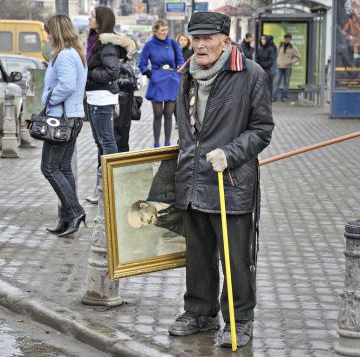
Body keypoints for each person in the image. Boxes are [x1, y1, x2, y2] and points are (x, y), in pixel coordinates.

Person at [169, 11, 274, 348]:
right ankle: (199, 311)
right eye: (195, 38)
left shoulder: (250, 74)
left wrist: (230, 153)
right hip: (192, 178)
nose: (200, 44)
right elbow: (188, 130)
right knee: (197, 254)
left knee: (236, 259)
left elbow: (262, 129)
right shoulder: (187, 74)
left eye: (207, 38)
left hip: (230, 182)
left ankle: (240, 319)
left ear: (225, 41)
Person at [40, 14, 87, 237]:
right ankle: (67, 218)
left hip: (62, 120)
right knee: (63, 168)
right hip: (71, 117)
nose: (47, 35)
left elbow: (67, 85)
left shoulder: (65, 55)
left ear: (56, 32)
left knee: (49, 168)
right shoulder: (72, 53)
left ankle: (75, 211)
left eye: (48, 31)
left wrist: (49, 97)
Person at [85, 6, 135, 204]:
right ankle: (103, 186)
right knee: (101, 143)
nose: (89, 19)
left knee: (107, 143)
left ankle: (110, 187)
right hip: (94, 98)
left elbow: (112, 72)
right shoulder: (95, 41)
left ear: (102, 20)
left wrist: (88, 74)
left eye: (93, 17)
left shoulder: (106, 44)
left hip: (102, 99)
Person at [139, 19, 184, 148]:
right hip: (157, 80)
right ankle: (156, 144)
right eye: (162, 30)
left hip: (171, 80)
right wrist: (149, 74)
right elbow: (142, 63)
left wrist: (177, 73)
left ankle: (167, 143)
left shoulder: (173, 43)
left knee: (169, 114)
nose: (165, 32)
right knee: (158, 114)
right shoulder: (149, 45)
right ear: (155, 31)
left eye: (166, 30)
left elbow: (181, 62)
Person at [114, 54, 138, 152]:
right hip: (121, 99)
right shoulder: (118, 65)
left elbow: (134, 83)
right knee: (118, 129)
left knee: (124, 129)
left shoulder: (126, 65)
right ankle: (119, 155)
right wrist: (128, 82)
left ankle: (123, 155)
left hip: (127, 99)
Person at [272, 33, 301, 102]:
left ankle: (285, 97)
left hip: (288, 67)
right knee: (276, 82)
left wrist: (291, 61)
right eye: (286, 38)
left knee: (286, 83)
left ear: (290, 39)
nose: (287, 40)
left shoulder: (293, 47)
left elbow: (298, 57)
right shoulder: (280, 45)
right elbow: (275, 53)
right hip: (279, 67)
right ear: (284, 38)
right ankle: (273, 97)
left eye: (289, 38)